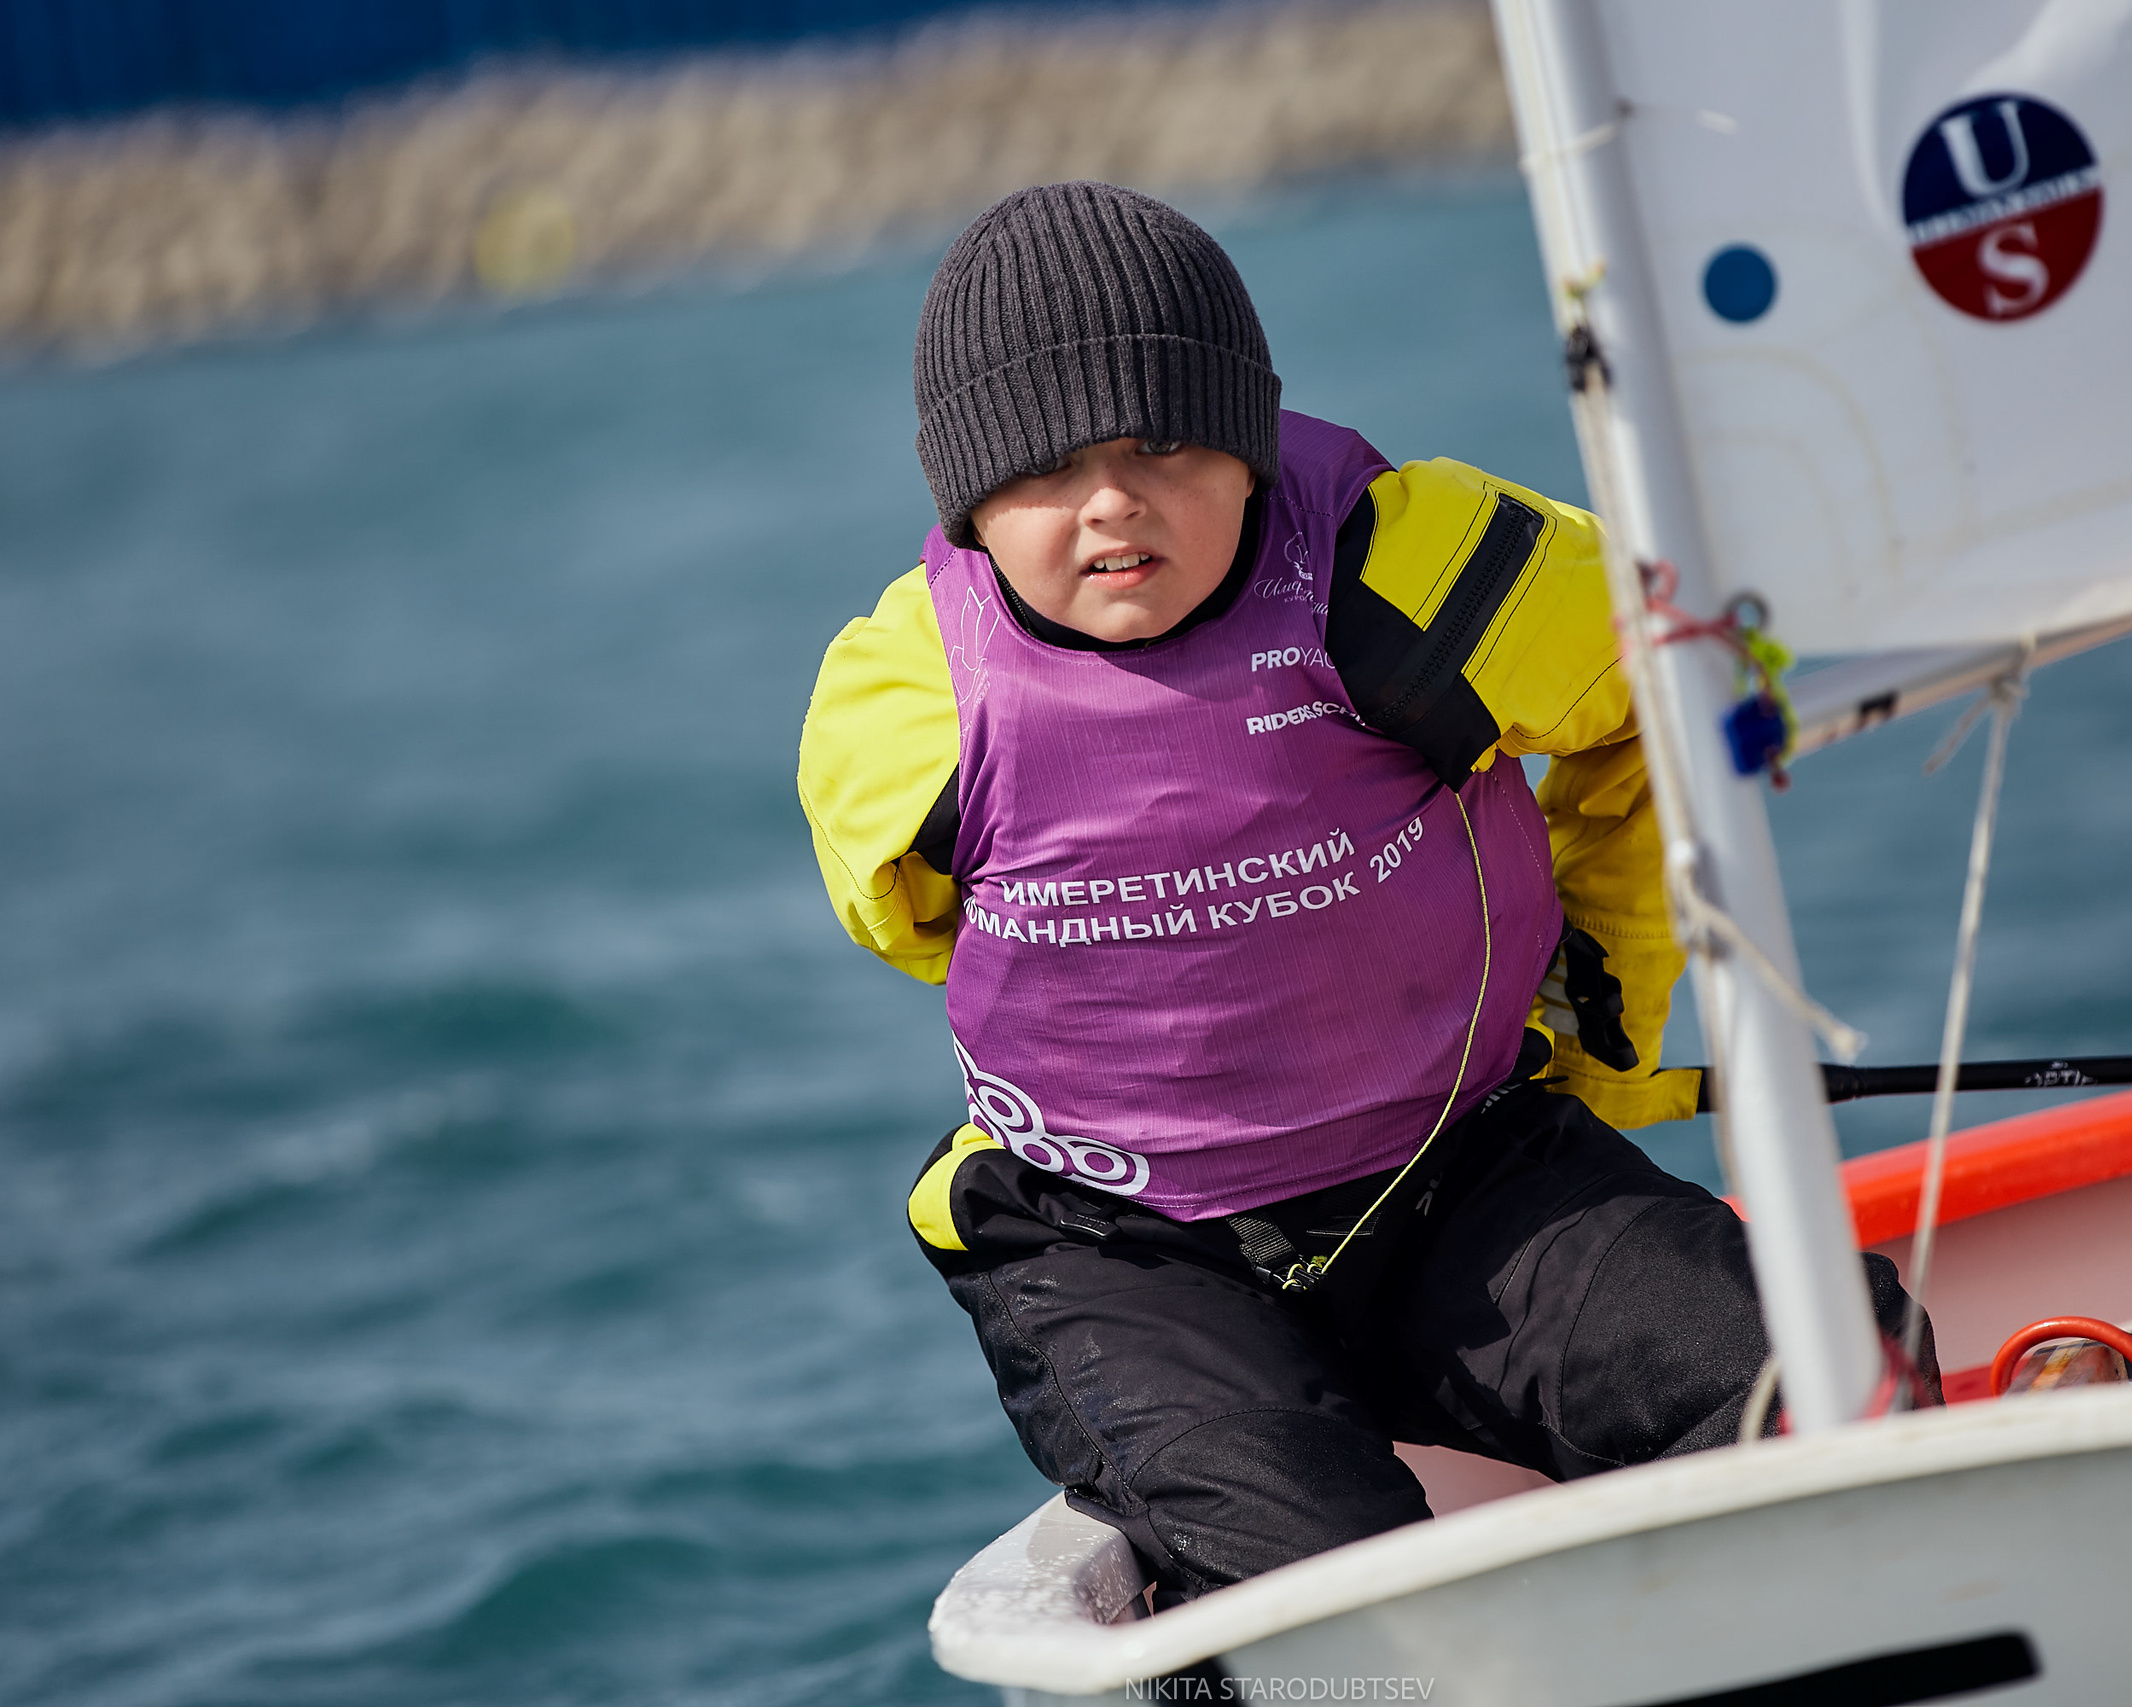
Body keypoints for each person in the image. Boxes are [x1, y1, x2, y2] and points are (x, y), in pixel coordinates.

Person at [798, 181, 1935, 1606]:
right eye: (1046, 468)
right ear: (967, 502)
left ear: (1251, 444)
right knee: (1335, 1599)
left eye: (1162, 441)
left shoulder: (1417, 569)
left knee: (1823, 1368)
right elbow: (917, 931)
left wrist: (1595, 1008)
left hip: (1463, 1169)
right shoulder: (898, 711)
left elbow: (1668, 678)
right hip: (1118, 1247)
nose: (1111, 502)